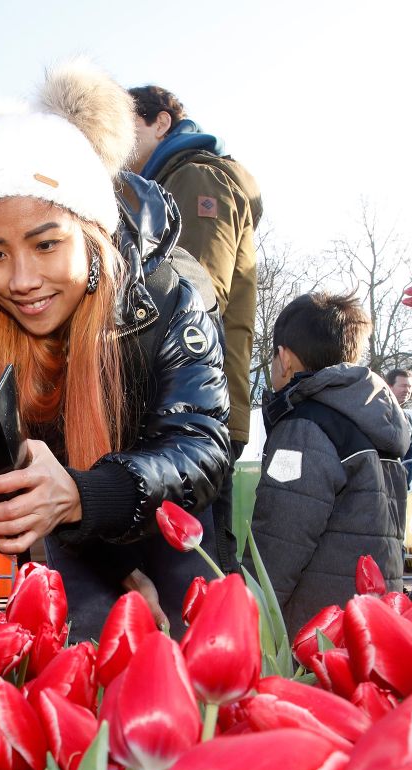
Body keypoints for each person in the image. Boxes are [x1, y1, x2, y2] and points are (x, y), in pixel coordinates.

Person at [0, 61, 231, 639]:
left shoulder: (169, 300)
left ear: (91, 231)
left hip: (173, 519)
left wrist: (84, 494)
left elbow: (200, 448)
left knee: (191, 663)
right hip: (72, 531)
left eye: (46, 244)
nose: (21, 279)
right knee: (76, 652)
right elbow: (40, 485)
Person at [128, 85, 262, 572]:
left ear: (161, 122)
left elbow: (196, 288)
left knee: (195, 567)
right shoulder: (167, 178)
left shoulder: (195, 177)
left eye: (126, 125)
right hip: (187, 397)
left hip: (194, 402)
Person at [252, 292, 408, 634]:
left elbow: (281, 537)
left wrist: (251, 612)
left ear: (284, 358)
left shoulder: (305, 428)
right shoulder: (375, 421)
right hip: (369, 620)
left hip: (315, 629)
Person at [384, 367, 412, 486]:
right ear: (389, 386)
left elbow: (410, 453)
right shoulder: (377, 413)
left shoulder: (407, 419)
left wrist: (406, 480)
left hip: (399, 486)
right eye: (403, 386)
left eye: (409, 386)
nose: (407, 390)